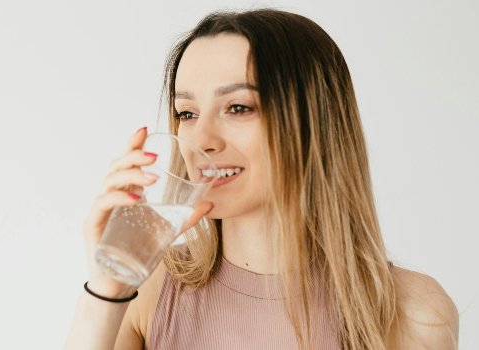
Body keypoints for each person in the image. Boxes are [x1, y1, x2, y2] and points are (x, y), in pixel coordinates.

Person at [65, 9, 458, 350]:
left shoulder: (413, 311)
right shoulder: (148, 292)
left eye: (237, 107)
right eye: (187, 114)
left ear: (313, 123)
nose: (201, 140)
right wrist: (105, 293)